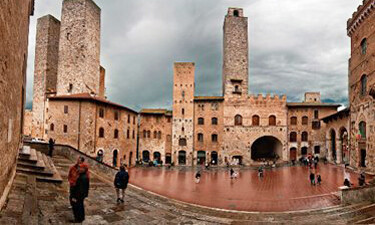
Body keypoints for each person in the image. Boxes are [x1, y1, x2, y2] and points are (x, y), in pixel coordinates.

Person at [68, 157, 90, 223]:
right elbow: (69, 175)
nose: (79, 169)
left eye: (80, 168)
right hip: (78, 192)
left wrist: (75, 197)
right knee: (80, 205)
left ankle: (78, 219)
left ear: (84, 169)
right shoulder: (82, 175)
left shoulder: (83, 177)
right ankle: (81, 217)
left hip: (78, 195)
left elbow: (81, 188)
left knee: (77, 206)